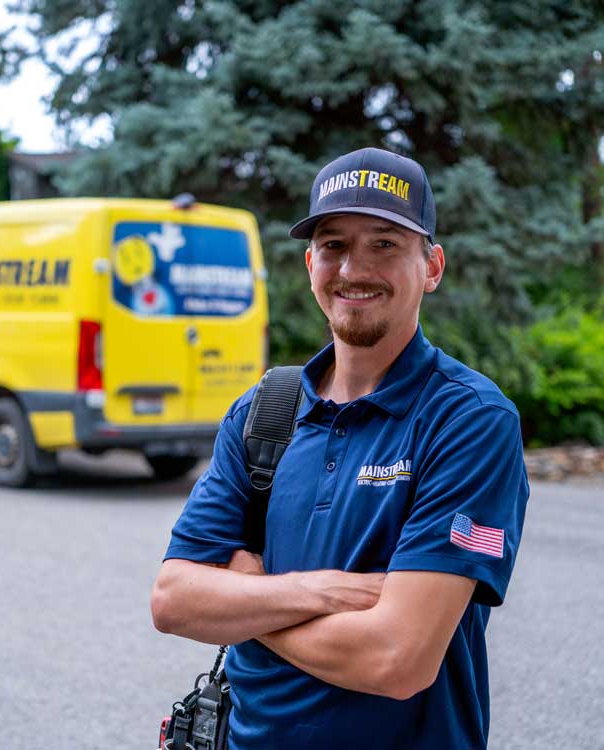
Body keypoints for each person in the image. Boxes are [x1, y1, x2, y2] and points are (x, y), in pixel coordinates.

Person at [150, 147, 529, 749]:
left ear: (432, 267)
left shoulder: (468, 420)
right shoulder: (263, 412)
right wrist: (323, 591)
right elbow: (173, 600)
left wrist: (249, 598)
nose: (354, 268)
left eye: (385, 244)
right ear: (310, 264)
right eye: (334, 245)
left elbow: (397, 659)